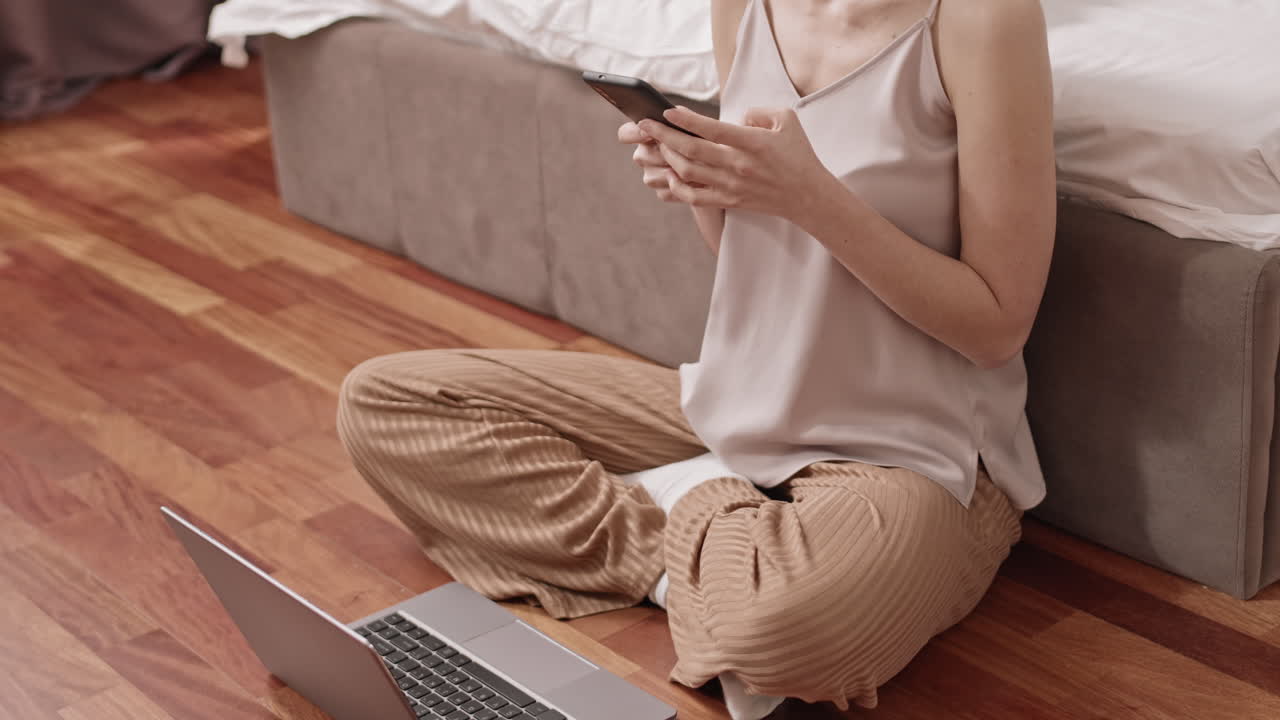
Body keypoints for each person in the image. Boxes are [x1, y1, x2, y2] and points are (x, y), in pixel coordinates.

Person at [336, 0, 1056, 717]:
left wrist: (812, 198)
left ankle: (698, 519)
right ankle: (717, 540)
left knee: (781, 637)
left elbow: (996, 326)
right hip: (740, 399)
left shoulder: (983, 19)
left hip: (913, 450)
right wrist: (699, 187)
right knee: (386, 404)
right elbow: (743, 250)